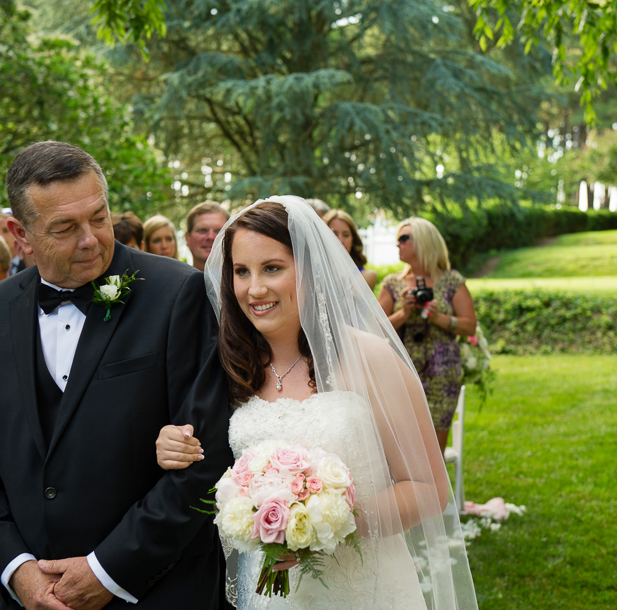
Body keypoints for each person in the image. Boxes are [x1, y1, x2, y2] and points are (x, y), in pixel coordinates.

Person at [154, 197, 479, 610]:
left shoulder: (372, 360)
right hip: (267, 594)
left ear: (309, 269)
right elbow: (204, 451)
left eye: (272, 268)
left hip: (363, 589)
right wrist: (171, 443)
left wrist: (319, 523)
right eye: (241, 271)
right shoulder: (232, 366)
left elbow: (430, 489)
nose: (254, 289)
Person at [0, 141, 232, 610]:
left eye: (98, 217)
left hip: (154, 589)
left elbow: (206, 455)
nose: (90, 239)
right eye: (64, 227)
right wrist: (18, 570)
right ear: (21, 234)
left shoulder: (177, 293)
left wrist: (108, 569)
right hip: (30, 596)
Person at [377, 218, 476, 453]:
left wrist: (439, 318)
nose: (397, 244)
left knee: (434, 452)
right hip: (399, 371)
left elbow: (469, 326)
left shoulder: (452, 281)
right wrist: (405, 312)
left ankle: (435, 491)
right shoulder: (392, 283)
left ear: (423, 241)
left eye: (404, 238)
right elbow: (375, 327)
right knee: (399, 448)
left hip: (442, 373)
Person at [324, 209, 377, 290]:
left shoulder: (366, 276)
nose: (340, 240)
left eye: (346, 235)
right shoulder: (311, 272)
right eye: (333, 234)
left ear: (353, 239)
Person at [183, 201, 228, 272]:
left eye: (219, 231)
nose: (211, 237)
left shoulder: (246, 281)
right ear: (187, 238)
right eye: (202, 230)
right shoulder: (173, 281)